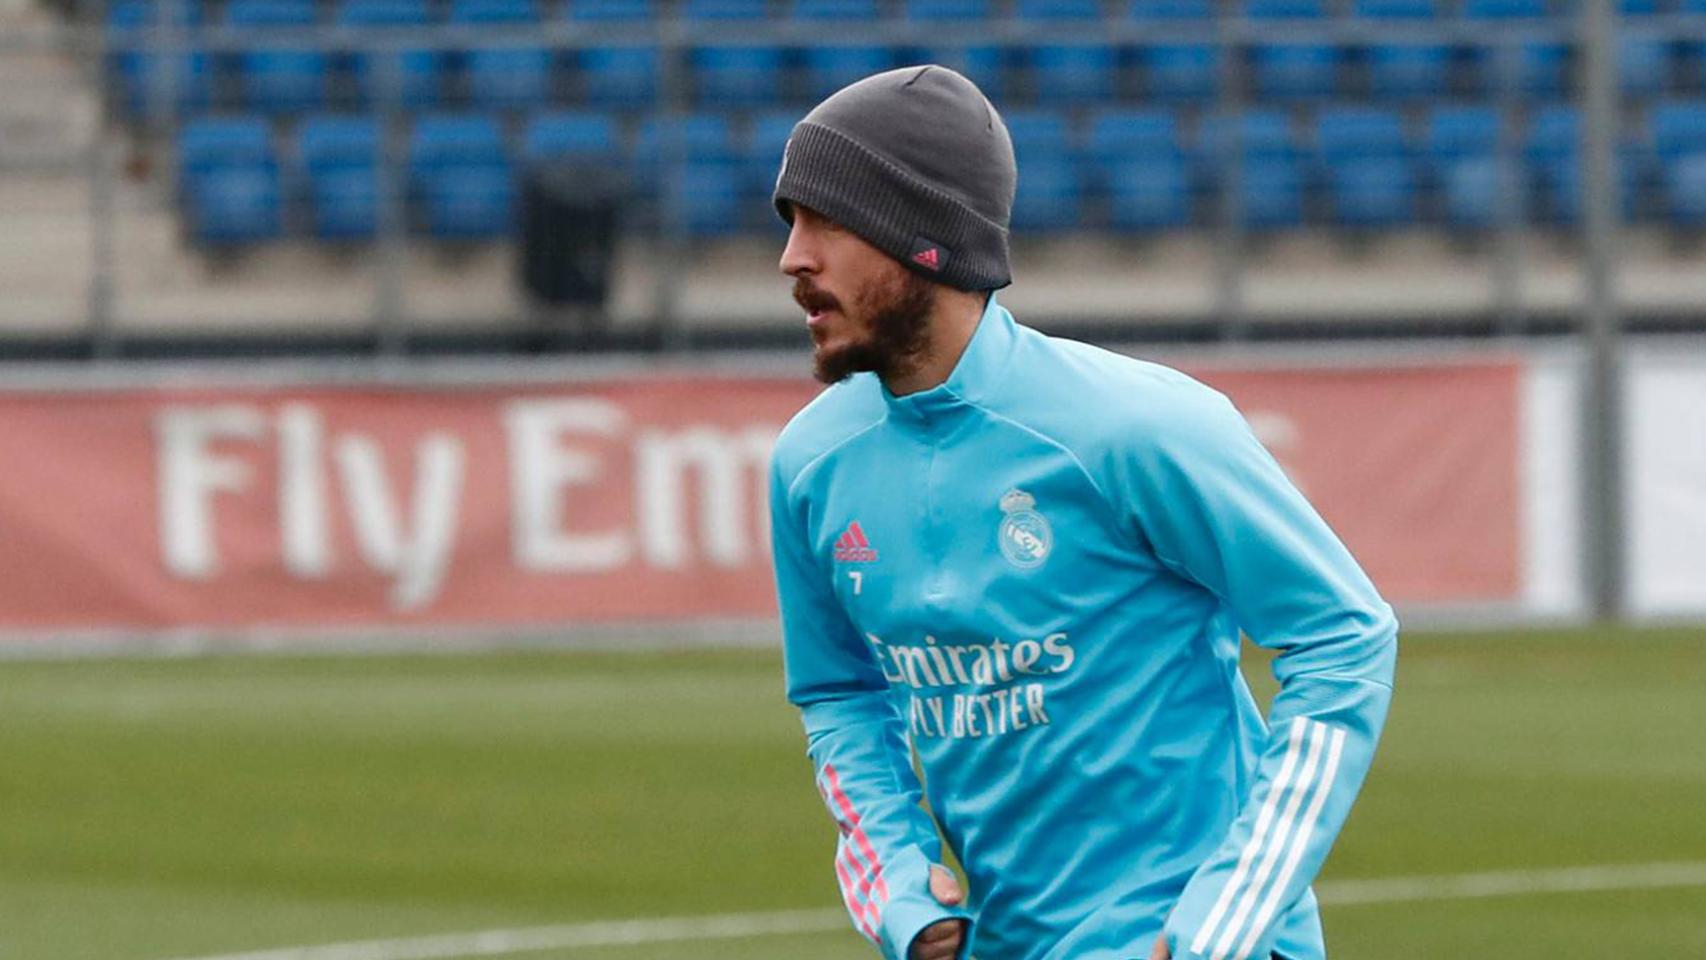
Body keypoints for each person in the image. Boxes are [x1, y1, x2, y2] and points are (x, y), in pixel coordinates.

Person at [765, 65, 1397, 960]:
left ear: (924, 239)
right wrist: (898, 886)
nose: (793, 257)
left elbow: (1345, 636)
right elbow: (839, 696)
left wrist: (1224, 920)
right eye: (790, 224)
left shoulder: (1137, 427)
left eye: (826, 220)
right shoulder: (810, 463)